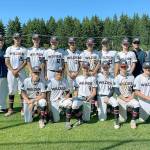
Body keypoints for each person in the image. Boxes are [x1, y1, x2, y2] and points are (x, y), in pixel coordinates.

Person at [4, 33, 27, 116]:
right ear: (13, 39)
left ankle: (23, 109)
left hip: (21, 72)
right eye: (15, 38)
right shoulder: (9, 49)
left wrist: (17, 70)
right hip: (11, 72)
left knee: (22, 90)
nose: (17, 39)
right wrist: (13, 70)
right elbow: (6, 61)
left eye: (18, 38)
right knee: (11, 90)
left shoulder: (24, 49)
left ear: (21, 39)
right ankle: (10, 109)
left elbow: (25, 62)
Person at [114, 60, 139, 129]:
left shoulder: (132, 76)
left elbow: (134, 89)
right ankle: (117, 120)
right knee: (123, 119)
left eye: (125, 67)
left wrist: (131, 97)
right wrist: (124, 99)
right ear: (119, 67)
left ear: (127, 67)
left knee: (136, 104)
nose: (124, 68)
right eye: (122, 67)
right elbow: (116, 91)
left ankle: (133, 121)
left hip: (130, 97)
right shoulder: (117, 78)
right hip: (121, 98)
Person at [97, 61, 119, 129]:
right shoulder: (97, 76)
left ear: (109, 67)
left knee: (115, 103)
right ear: (102, 68)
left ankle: (116, 121)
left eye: (107, 67)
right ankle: (109, 110)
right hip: (100, 96)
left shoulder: (112, 77)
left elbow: (113, 89)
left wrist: (108, 96)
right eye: (104, 67)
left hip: (109, 96)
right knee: (102, 119)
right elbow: (94, 89)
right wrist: (95, 100)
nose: (105, 69)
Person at [0, 34, 8, 112]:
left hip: (4, 74)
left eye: (1, 40)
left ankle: (2, 107)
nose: (0, 42)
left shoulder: (5, 50)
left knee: (3, 91)